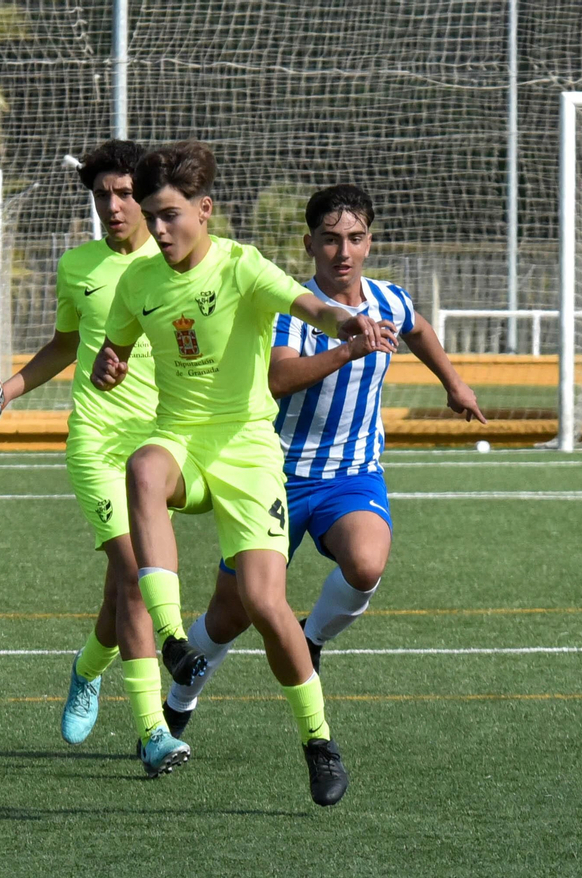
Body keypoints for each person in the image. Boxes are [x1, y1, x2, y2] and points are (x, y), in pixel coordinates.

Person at [92, 142, 394, 801]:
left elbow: (313, 308)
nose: (158, 228)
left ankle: (318, 741)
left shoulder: (241, 266)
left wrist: (351, 323)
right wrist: (107, 365)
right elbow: (113, 351)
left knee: (263, 604)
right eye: (151, 216)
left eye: (170, 215)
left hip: (248, 451)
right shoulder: (138, 282)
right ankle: (174, 641)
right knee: (143, 468)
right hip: (180, 440)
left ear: (204, 210)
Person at [162, 183, 485, 736]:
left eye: (355, 238)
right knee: (231, 614)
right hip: (274, 477)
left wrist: (453, 384)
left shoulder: (389, 299)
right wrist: (347, 348)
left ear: (369, 242)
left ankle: (310, 639)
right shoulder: (290, 307)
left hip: (353, 475)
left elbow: (417, 328)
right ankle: (178, 699)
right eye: (331, 239)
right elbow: (278, 378)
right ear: (309, 244)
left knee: (366, 565)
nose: (343, 251)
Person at [0, 139, 207, 754]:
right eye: (101, 196)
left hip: (162, 446)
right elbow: (65, 344)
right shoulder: (78, 267)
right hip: (96, 441)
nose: (112, 207)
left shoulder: (178, 264)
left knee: (126, 584)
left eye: (123, 194)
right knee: (138, 572)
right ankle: (153, 731)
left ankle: (88, 668)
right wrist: (5, 392)